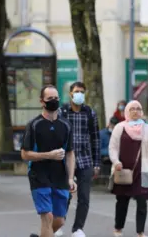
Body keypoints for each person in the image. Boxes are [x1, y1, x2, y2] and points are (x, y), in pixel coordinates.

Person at [21, 85, 76, 237]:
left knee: (59, 220)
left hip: (60, 177)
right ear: (42, 101)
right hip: (39, 175)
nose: (54, 101)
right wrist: (48, 155)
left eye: (56, 98)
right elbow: (25, 154)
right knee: (48, 217)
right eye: (50, 99)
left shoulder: (66, 125)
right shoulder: (34, 125)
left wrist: (71, 178)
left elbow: (70, 153)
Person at [108, 100, 148, 237]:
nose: (135, 111)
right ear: (127, 111)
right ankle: (118, 228)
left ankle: (140, 232)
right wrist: (116, 161)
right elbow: (113, 148)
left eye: (138, 108)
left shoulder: (147, 129)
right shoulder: (120, 127)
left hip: (143, 170)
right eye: (132, 109)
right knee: (122, 201)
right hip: (123, 170)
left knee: (142, 202)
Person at [59, 81, 100, 237]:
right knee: (65, 195)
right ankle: (59, 224)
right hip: (66, 160)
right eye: (77, 91)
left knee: (84, 196)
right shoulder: (62, 112)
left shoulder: (90, 113)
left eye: (82, 91)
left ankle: (78, 228)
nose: (79, 94)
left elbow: (95, 139)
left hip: (85, 160)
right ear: (70, 94)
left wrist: (96, 163)